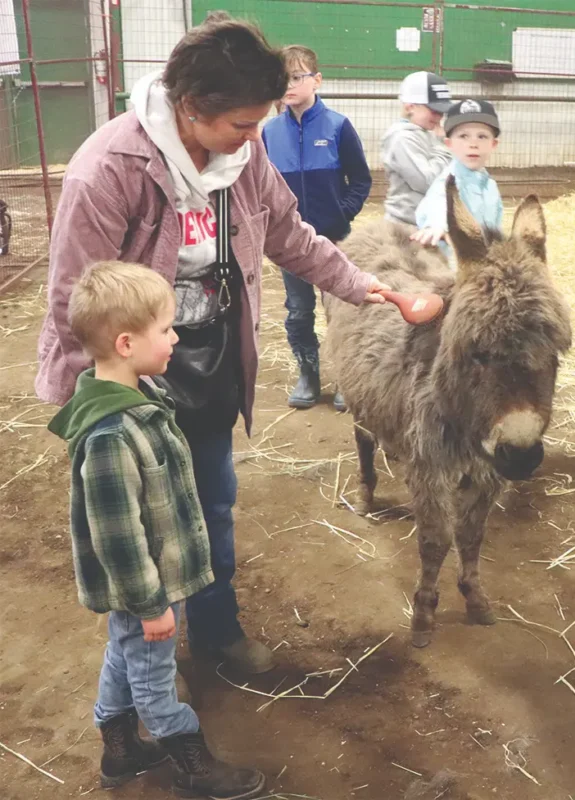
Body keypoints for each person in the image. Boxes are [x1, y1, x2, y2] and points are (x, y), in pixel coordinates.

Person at [36, 13, 390, 678]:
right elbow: (72, 300)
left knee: (211, 500)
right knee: (142, 516)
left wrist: (360, 286)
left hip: (206, 356)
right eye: (242, 124)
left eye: (260, 122)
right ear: (192, 107)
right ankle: (146, 669)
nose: (255, 138)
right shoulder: (111, 169)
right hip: (127, 370)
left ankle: (217, 634)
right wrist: (110, 402)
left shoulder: (242, 160)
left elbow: (291, 235)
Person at [47, 262, 266, 799]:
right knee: (151, 676)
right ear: (125, 343)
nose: (176, 339)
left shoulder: (137, 400)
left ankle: (119, 751)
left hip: (147, 588)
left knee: (124, 654)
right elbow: (119, 539)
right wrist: (151, 605)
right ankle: (191, 763)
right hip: (146, 590)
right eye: (167, 329)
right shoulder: (110, 435)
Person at [262, 45, 372, 412]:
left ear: (317, 80)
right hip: (291, 244)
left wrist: (341, 215)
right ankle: (308, 375)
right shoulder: (269, 133)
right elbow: (263, 186)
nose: (289, 85)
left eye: (297, 77)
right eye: (283, 79)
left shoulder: (338, 126)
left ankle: (344, 377)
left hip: (333, 239)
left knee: (339, 310)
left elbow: (360, 179)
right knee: (298, 311)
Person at [413, 98, 502, 253]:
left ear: (493, 144)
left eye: (482, 136)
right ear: (449, 144)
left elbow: (495, 228)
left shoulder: (490, 187)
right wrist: (436, 225)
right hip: (453, 266)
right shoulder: (449, 182)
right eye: (463, 136)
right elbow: (439, 202)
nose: (473, 144)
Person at [382, 71, 454, 226]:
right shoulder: (401, 138)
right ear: (410, 107)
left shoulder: (428, 132)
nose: (439, 117)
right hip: (406, 226)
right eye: (434, 111)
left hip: (428, 224)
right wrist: (444, 148)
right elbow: (426, 182)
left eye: (442, 112)